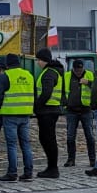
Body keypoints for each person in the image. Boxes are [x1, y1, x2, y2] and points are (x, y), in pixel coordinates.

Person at [0, 53, 35, 182]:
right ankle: (28, 172)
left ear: (7, 64)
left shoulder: (5, 76)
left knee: (12, 145)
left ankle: (12, 173)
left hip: (10, 114)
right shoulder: (29, 75)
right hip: (25, 114)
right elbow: (34, 94)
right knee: (26, 144)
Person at [33, 49, 65, 178]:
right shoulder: (53, 71)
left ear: (43, 60)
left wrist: (37, 106)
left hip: (48, 110)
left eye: (38, 60)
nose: (37, 63)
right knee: (46, 138)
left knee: (48, 139)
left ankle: (52, 168)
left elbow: (46, 93)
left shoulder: (49, 73)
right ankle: (51, 167)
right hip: (51, 109)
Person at [64, 59, 95, 168]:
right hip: (71, 110)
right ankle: (71, 159)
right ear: (73, 68)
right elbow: (63, 91)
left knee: (90, 136)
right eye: (77, 70)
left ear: (83, 68)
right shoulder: (67, 76)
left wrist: (88, 83)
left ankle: (92, 160)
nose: (79, 72)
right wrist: (65, 104)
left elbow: (96, 87)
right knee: (70, 136)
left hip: (86, 110)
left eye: (80, 70)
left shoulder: (89, 75)